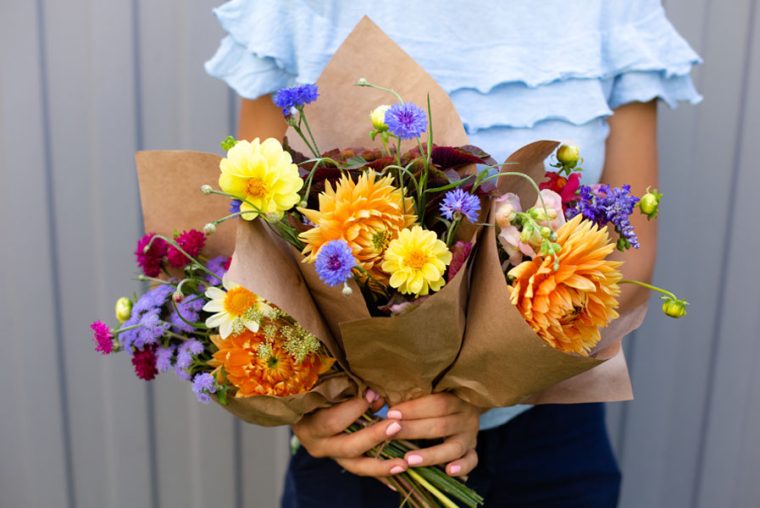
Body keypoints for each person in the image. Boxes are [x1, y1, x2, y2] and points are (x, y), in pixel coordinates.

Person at [206, 1, 701, 506]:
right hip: (365, 436)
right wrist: (312, 409)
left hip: (547, 429)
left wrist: (480, 393)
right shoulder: (296, 10)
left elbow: (628, 252)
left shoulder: (611, 12)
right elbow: (255, 229)